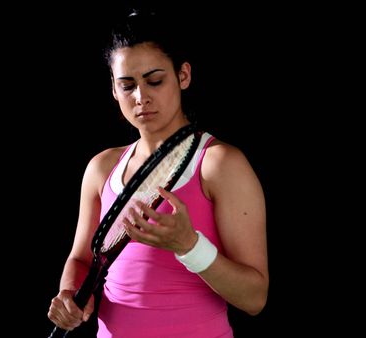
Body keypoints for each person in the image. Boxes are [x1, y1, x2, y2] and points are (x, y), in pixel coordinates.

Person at [48, 8, 268, 337]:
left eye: (155, 81)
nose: (141, 97)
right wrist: (69, 295)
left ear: (183, 76)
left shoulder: (219, 165)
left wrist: (190, 246)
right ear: (113, 89)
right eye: (127, 85)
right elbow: (81, 261)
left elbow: (254, 298)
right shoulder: (101, 168)